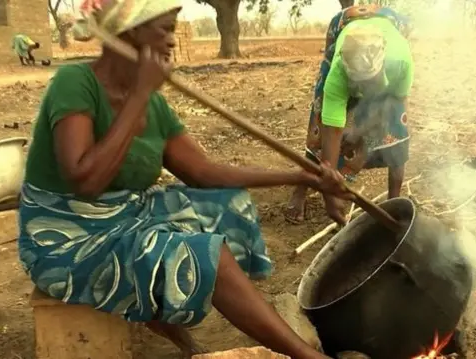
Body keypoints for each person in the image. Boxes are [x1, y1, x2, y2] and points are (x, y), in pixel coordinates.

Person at [18, 1, 351, 358]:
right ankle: (307, 356)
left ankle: (172, 323)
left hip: (124, 217)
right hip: (67, 239)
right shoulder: (75, 83)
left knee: (227, 208)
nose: (172, 41)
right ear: (130, 32)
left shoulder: (154, 106)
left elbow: (202, 172)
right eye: (164, 29)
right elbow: (86, 180)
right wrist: (141, 94)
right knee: (207, 253)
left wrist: (302, 175)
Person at [284, 4, 414, 224]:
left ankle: (395, 201)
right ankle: (301, 189)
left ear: (382, 67)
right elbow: (331, 131)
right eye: (357, 83)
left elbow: (394, 102)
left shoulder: (400, 62)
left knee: (396, 124)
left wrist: (359, 130)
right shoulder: (337, 74)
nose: (363, 90)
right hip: (344, 25)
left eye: (369, 82)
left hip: (386, 21)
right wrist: (329, 194)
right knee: (319, 120)